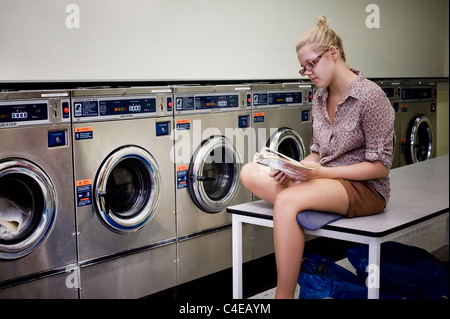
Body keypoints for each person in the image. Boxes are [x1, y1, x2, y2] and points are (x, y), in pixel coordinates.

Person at [239, 15, 395, 299]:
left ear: (333, 54)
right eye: (303, 68)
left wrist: (319, 174)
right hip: (325, 180)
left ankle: (283, 296)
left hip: (364, 190)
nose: (308, 71)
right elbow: (317, 153)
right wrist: (296, 168)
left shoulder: (371, 97)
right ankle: (307, 205)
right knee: (249, 171)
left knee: (286, 201)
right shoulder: (319, 98)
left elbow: (380, 167)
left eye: (312, 63)